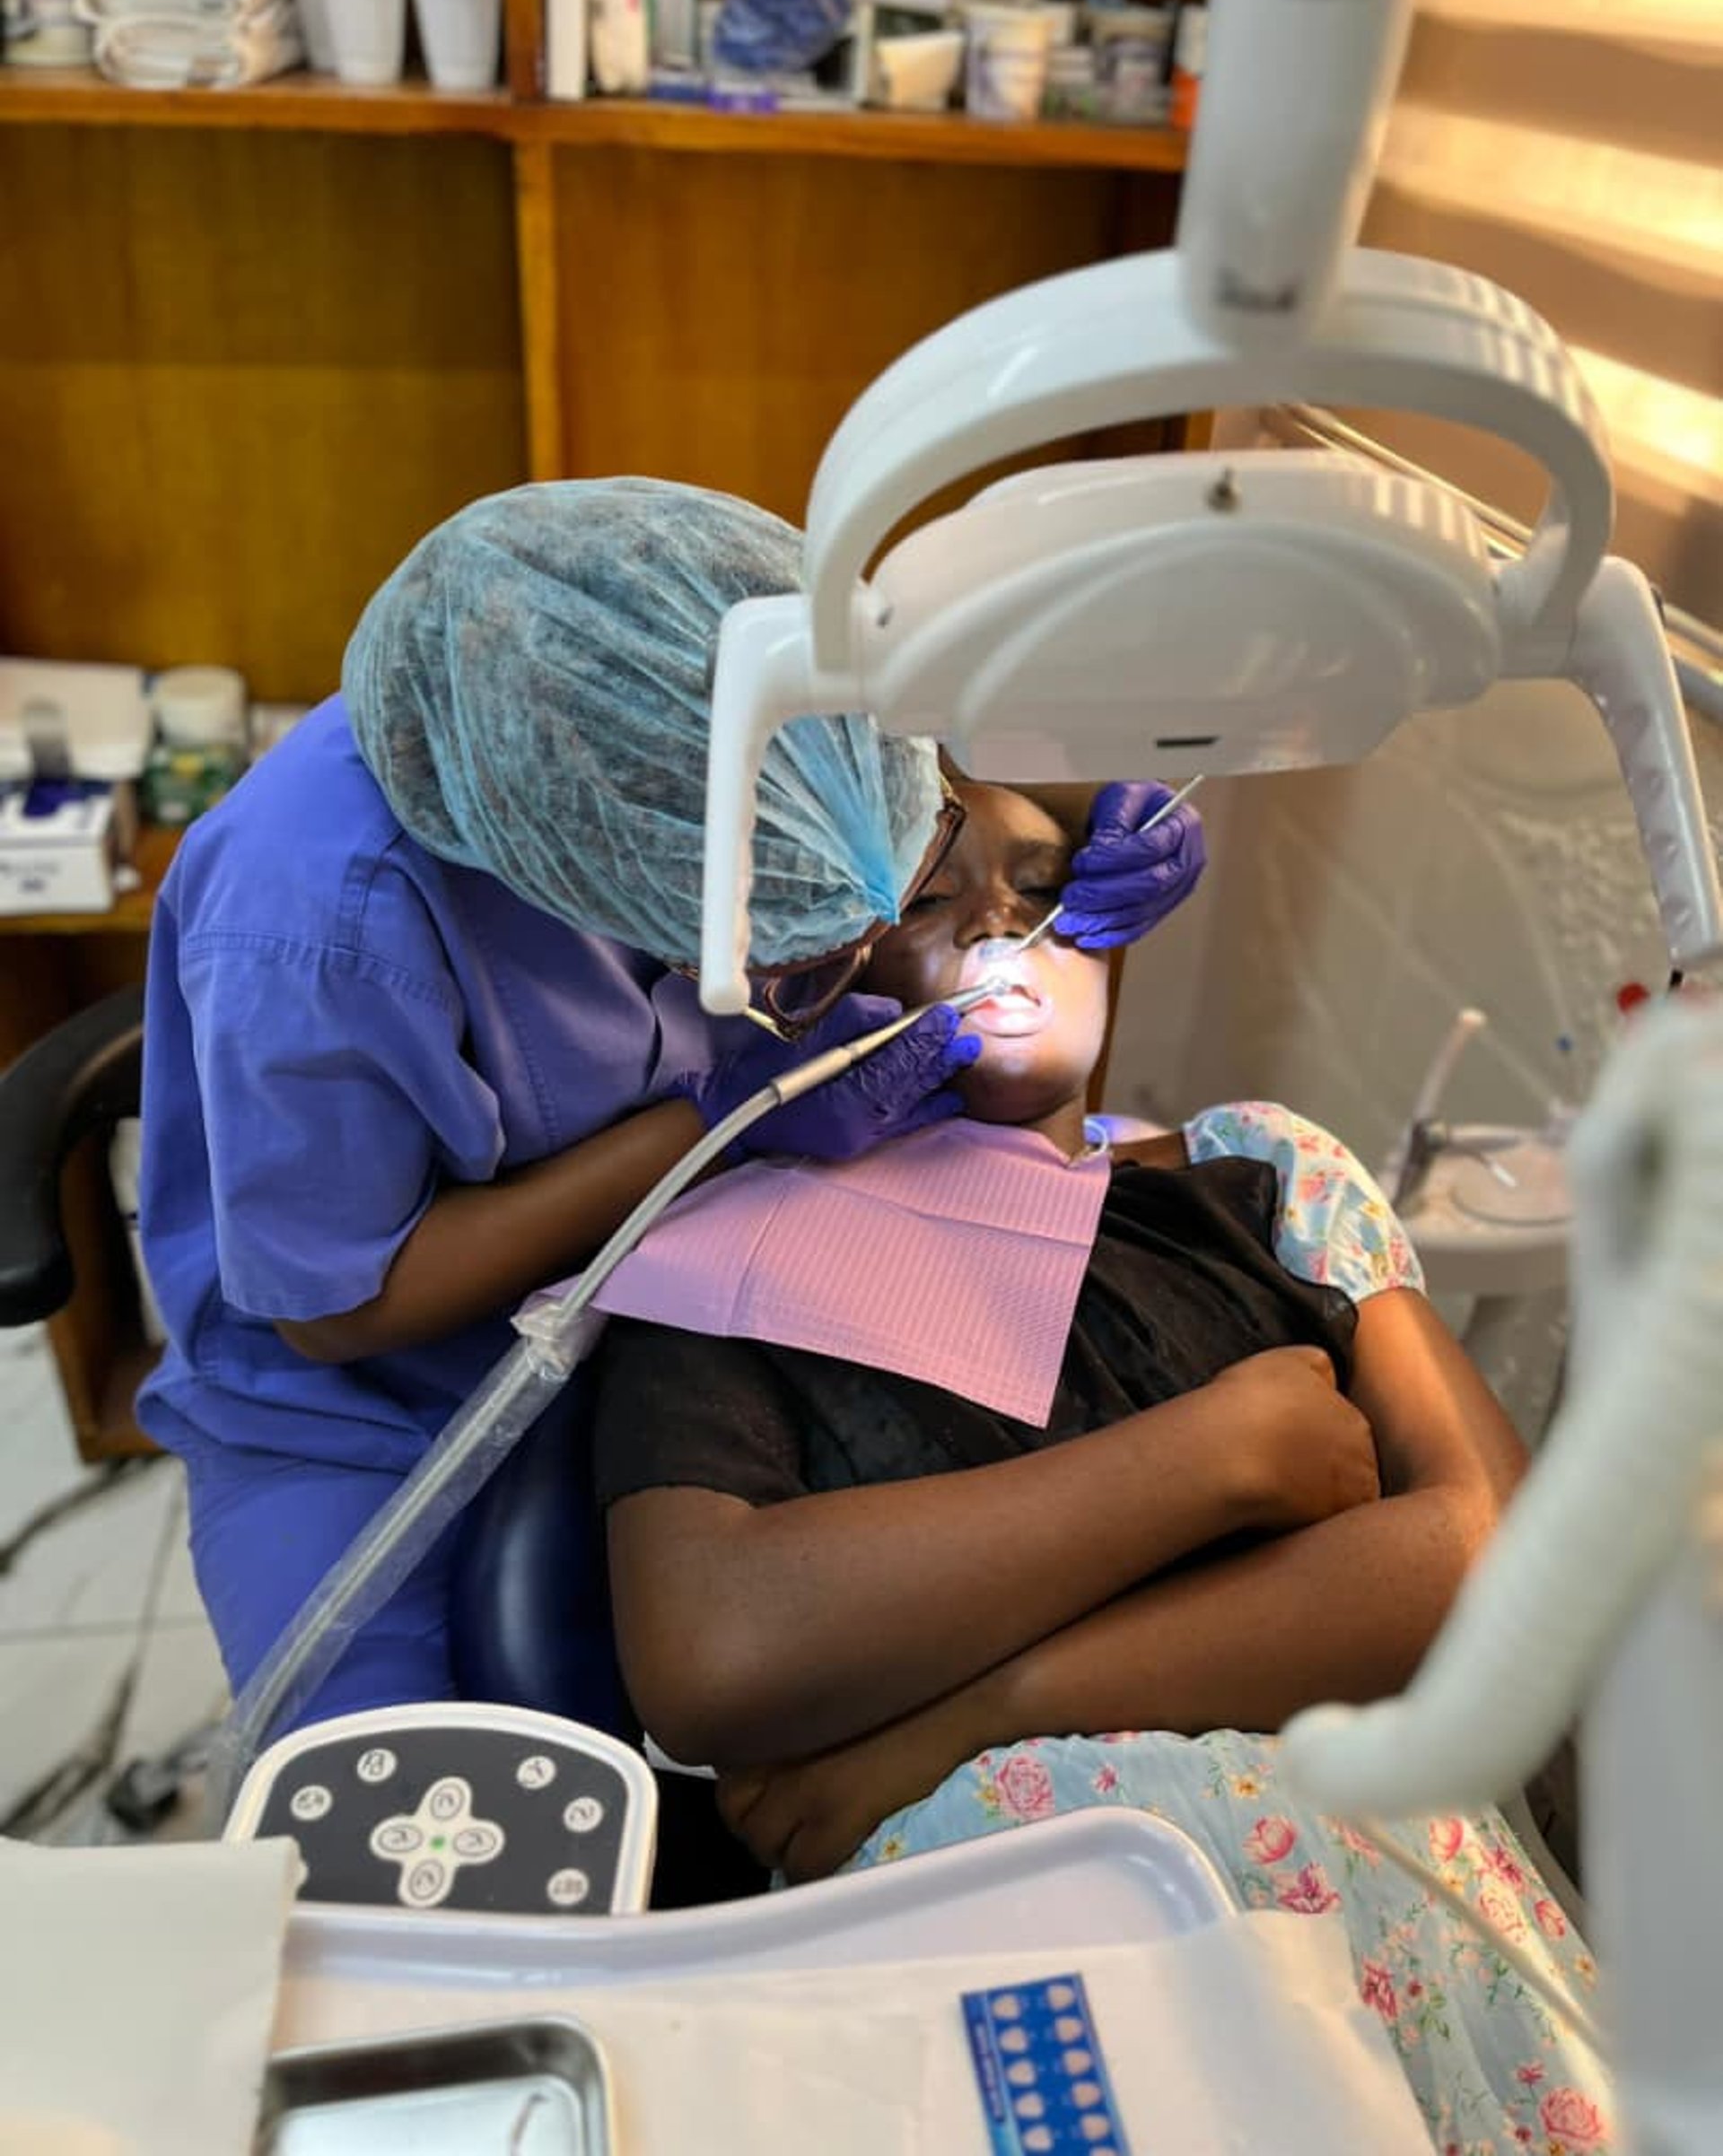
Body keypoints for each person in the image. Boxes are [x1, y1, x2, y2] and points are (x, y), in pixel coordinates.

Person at [589, 776, 1615, 2154]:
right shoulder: (730, 1249)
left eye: (1052, 887)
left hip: (1403, 1938)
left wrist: (969, 1712)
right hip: (1008, 1979)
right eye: (929, 897)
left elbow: (1486, 1565)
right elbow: (717, 1647)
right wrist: (1212, 1458)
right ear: (823, 966)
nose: (1004, 923)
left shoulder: (1260, 1177)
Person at [136, 478, 1205, 1734]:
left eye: (1013, 909)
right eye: (913, 911)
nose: (993, 937)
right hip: (373, 1410)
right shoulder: (320, 929)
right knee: (396, 1828)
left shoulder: (714, 662)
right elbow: (340, 1307)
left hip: (661, 1314)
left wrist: (1091, 831)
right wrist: (710, 1122)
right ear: (618, 876)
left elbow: (890, 805)